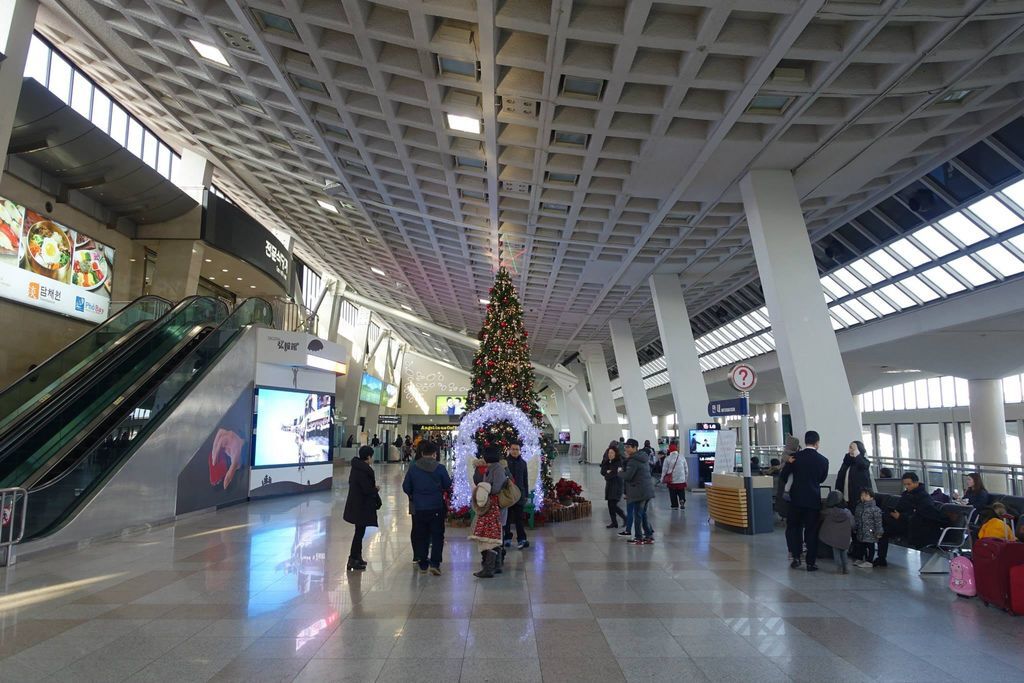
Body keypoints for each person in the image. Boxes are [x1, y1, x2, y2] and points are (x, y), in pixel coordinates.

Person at [779, 430, 829, 571]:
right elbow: (821, 479)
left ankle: (796, 557)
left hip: (795, 500)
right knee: (811, 531)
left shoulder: (794, 458)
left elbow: (783, 476)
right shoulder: (823, 461)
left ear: (805, 441)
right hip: (813, 500)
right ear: (817, 443)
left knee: (794, 528)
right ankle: (810, 562)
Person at [402, 441, 452, 575]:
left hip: (419, 507)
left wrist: (414, 494)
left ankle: (423, 563)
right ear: (435, 454)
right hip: (436, 506)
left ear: (422, 453)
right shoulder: (440, 468)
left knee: (421, 534)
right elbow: (448, 484)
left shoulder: (413, 468)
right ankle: (435, 563)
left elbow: (406, 487)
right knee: (437, 535)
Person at [874, 471, 943, 567]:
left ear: (916, 483)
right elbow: (902, 508)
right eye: (905, 484)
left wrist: (901, 516)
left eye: (909, 484)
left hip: (916, 527)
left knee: (883, 528)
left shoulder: (924, 498)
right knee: (883, 526)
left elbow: (922, 516)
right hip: (906, 524)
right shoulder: (907, 494)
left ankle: (880, 558)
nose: (907, 486)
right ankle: (880, 558)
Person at [469, 446, 507, 578]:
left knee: (490, 537)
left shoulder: (497, 469)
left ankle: (489, 568)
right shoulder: (492, 468)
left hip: (494, 509)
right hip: (491, 508)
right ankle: (496, 566)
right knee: (492, 536)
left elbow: (496, 488)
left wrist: (484, 488)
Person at [342, 446, 379, 571]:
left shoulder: (356, 468)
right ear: (368, 457)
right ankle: (353, 559)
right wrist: (376, 489)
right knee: (359, 533)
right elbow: (367, 489)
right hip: (361, 506)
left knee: (360, 532)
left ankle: (357, 557)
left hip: (356, 504)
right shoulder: (364, 470)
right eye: (371, 456)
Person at [622, 439, 655, 545]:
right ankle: (649, 536)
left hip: (640, 492)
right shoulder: (642, 457)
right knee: (643, 514)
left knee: (638, 514)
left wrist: (619, 472)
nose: (626, 449)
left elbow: (628, 476)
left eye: (628, 447)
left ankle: (638, 537)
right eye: (625, 447)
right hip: (646, 490)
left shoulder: (634, 460)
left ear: (635, 447)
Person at [502, 442, 530, 549]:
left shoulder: (523, 463)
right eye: (513, 449)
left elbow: (525, 479)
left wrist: (526, 494)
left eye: (517, 449)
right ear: (509, 450)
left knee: (519, 519)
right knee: (507, 518)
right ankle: (507, 538)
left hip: (519, 495)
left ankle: (521, 539)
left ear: (520, 451)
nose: (515, 451)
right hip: (508, 495)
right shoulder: (505, 463)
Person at [819, 491, 854, 574]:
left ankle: (839, 568)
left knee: (836, 554)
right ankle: (845, 568)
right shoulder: (847, 512)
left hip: (834, 538)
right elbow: (853, 524)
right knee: (844, 552)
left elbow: (820, 516)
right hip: (845, 538)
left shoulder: (828, 512)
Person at [835, 440, 872, 510]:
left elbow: (862, 464)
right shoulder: (846, 462)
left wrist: (856, 453)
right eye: (850, 447)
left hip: (857, 498)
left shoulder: (864, 462)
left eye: (852, 448)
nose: (850, 449)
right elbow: (840, 477)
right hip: (845, 497)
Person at [601, 446, 626, 528]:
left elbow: (612, 474)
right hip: (609, 486)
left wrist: (608, 474)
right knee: (609, 504)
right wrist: (607, 472)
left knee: (613, 505)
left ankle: (625, 518)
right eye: (609, 453)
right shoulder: (608, 462)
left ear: (616, 453)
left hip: (617, 486)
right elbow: (603, 471)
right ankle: (614, 522)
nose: (610, 454)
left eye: (612, 453)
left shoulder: (618, 462)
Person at [661, 445, 688, 510]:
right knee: (681, 491)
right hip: (681, 479)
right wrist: (685, 478)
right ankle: (682, 500)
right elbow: (686, 469)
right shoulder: (682, 457)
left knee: (672, 493)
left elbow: (664, 470)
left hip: (672, 479)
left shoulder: (667, 458)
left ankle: (674, 505)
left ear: (669, 450)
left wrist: (662, 478)